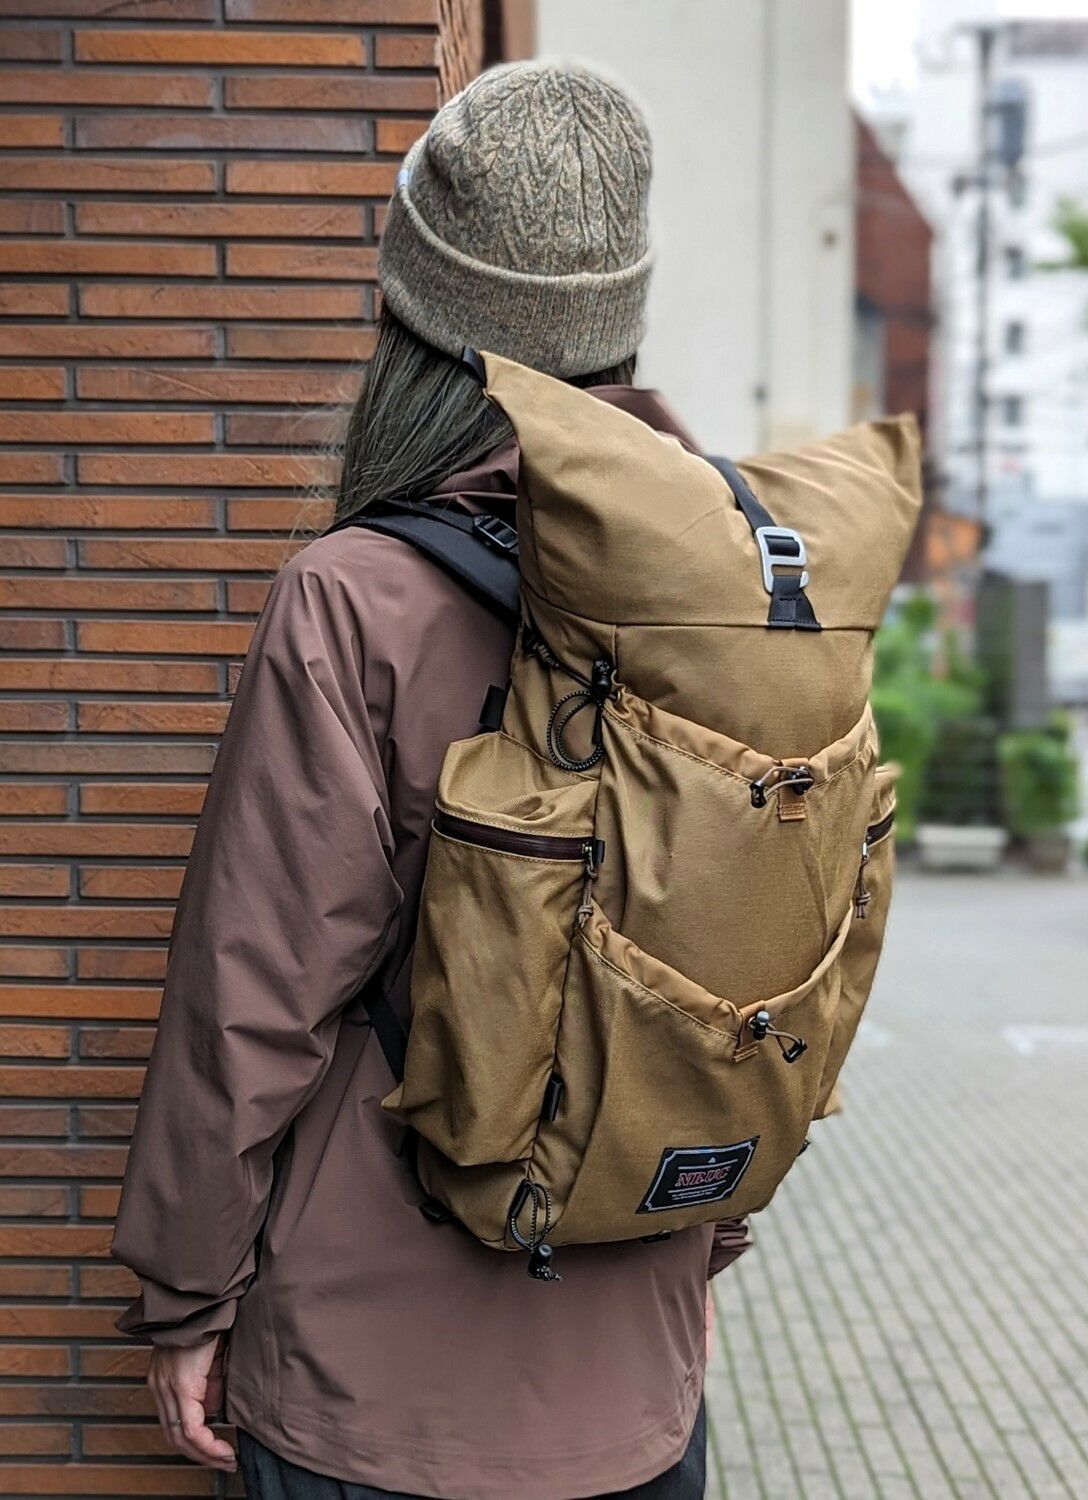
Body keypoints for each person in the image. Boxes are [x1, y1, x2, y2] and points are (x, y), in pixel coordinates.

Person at [112, 61, 749, 1500]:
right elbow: (741, 960)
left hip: (368, 1391)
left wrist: (187, 1296)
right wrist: (700, 1242)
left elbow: (253, 996)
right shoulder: (725, 588)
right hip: (633, 1370)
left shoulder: (352, 600)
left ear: (414, 325)